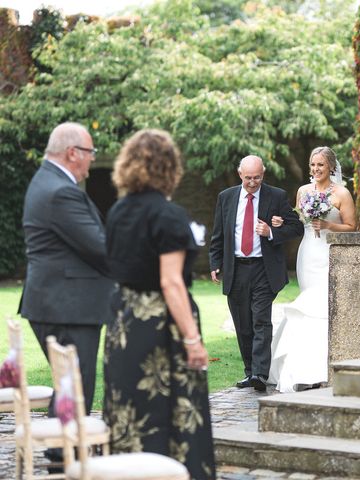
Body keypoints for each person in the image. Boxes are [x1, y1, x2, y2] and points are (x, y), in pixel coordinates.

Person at [103, 129, 215, 479]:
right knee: (170, 411)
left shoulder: (118, 210)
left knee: (128, 408)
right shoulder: (169, 215)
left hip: (123, 322)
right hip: (159, 330)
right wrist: (193, 340)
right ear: (169, 167)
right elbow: (170, 281)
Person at [19, 122, 113, 471]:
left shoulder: (50, 181)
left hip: (60, 301)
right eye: (90, 152)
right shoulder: (61, 190)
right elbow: (100, 248)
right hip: (67, 304)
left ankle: (65, 454)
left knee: (69, 385)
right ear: (73, 153)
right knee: (77, 384)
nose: (92, 159)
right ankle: (67, 457)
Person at [209, 155, 303, 392]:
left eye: (257, 178)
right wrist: (215, 263)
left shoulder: (276, 196)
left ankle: (260, 375)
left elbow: (297, 227)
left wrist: (271, 231)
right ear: (240, 174)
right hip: (236, 268)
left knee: (261, 319)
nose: (252, 182)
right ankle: (249, 371)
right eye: (248, 178)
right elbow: (218, 234)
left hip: (264, 268)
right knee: (242, 324)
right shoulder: (226, 197)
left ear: (263, 174)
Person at [269, 146, 355, 392]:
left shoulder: (342, 193)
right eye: (313, 165)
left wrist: (328, 224)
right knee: (307, 303)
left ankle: (322, 367)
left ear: (330, 167)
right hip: (307, 253)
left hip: (328, 253)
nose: (316, 169)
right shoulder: (303, 191)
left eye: (321, 165)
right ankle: (300, 368)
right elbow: (298, 222)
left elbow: (352, 226)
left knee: (324, 305)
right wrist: (280, 222)